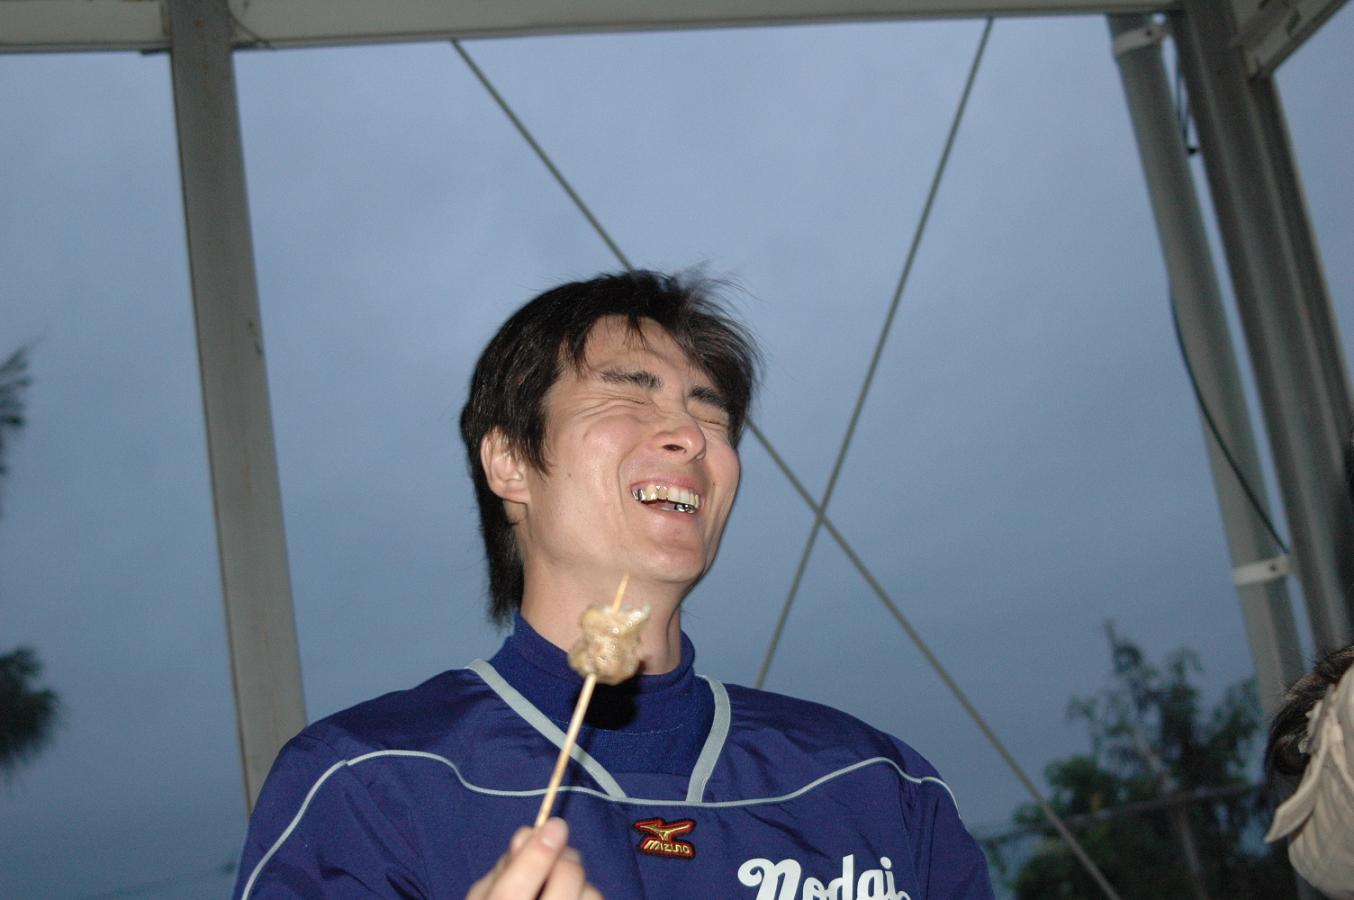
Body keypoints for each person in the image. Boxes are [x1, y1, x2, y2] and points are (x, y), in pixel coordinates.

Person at [233, 271, 994, 899]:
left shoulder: (879, 787)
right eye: (631, 395)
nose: (690, 435)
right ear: (510, 462)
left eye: (710, 412)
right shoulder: (365, 786)